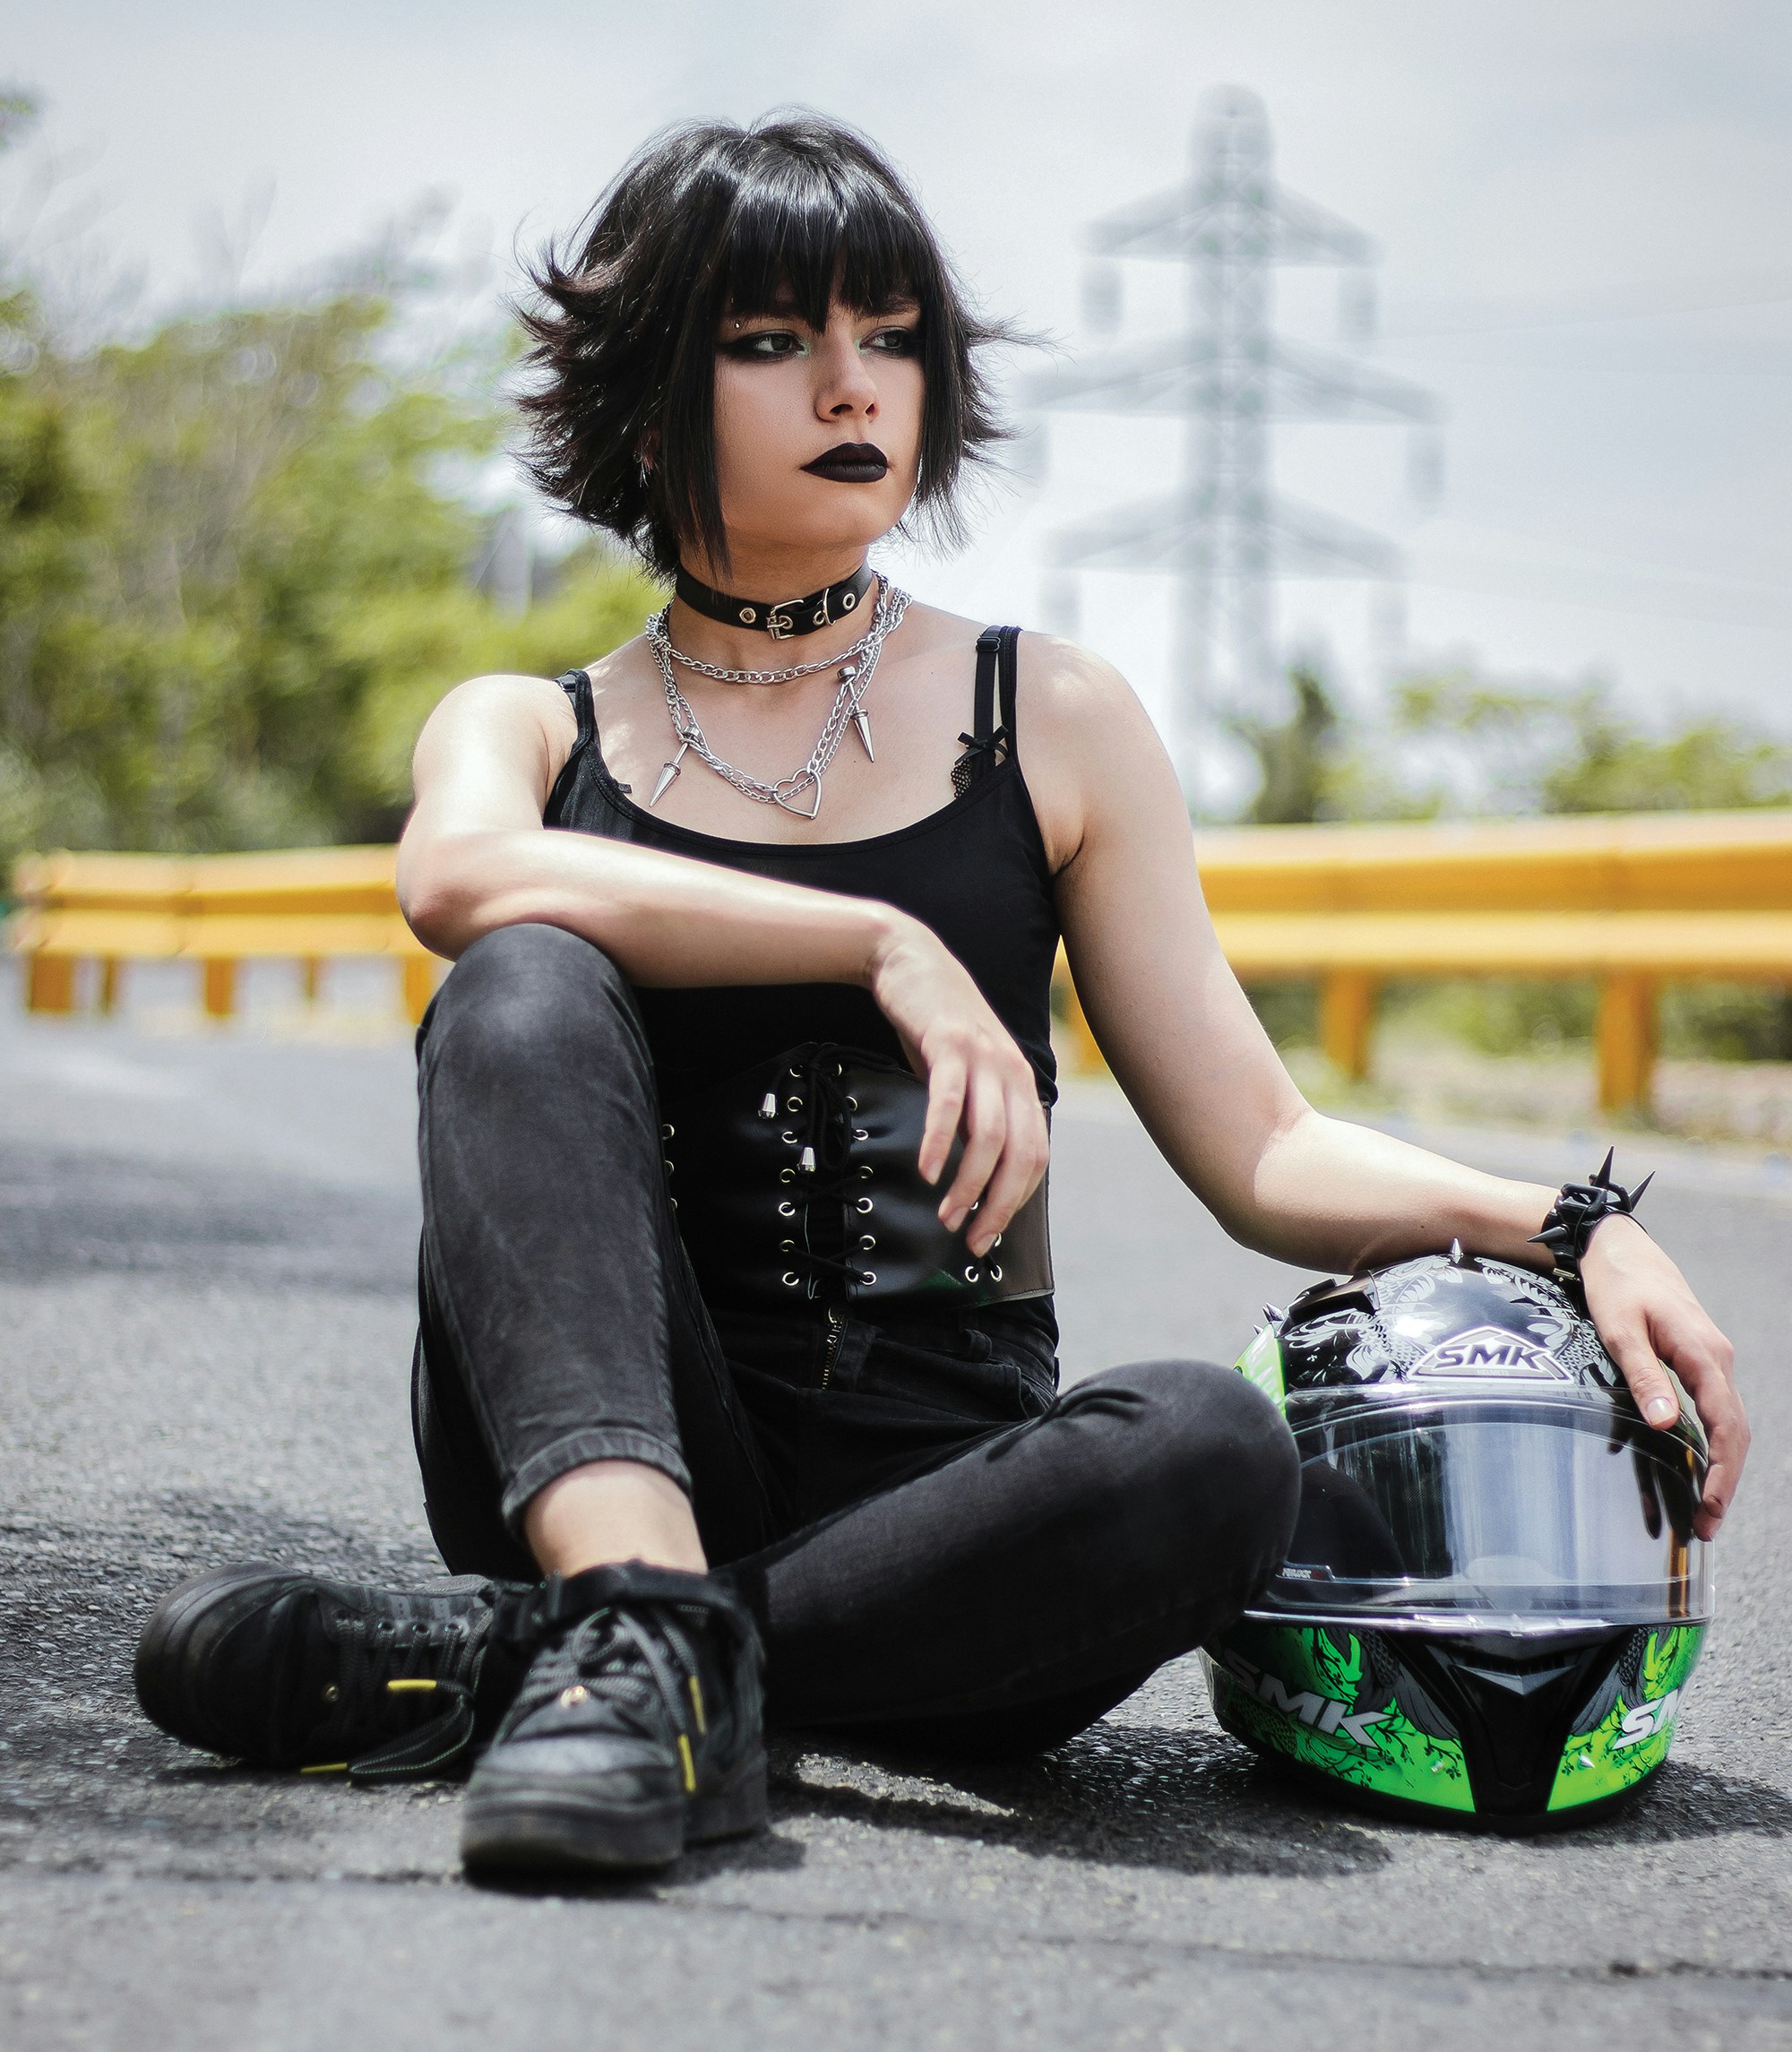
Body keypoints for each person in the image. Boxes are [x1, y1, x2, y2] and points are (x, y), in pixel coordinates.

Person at [134, 115, 1747, 1879]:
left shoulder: (1045, 714)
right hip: (605, 1456)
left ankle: (591, 1653)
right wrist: (876, 941)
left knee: (1216, 1444)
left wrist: (1571, 1222)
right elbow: (453, 882)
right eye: (772, 340)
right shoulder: (526, 725)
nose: (852, 384)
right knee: (518, 984)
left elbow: (1264, 1144)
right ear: (651, 385)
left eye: (889, 334)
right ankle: (623, 1597)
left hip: (961, 1534)